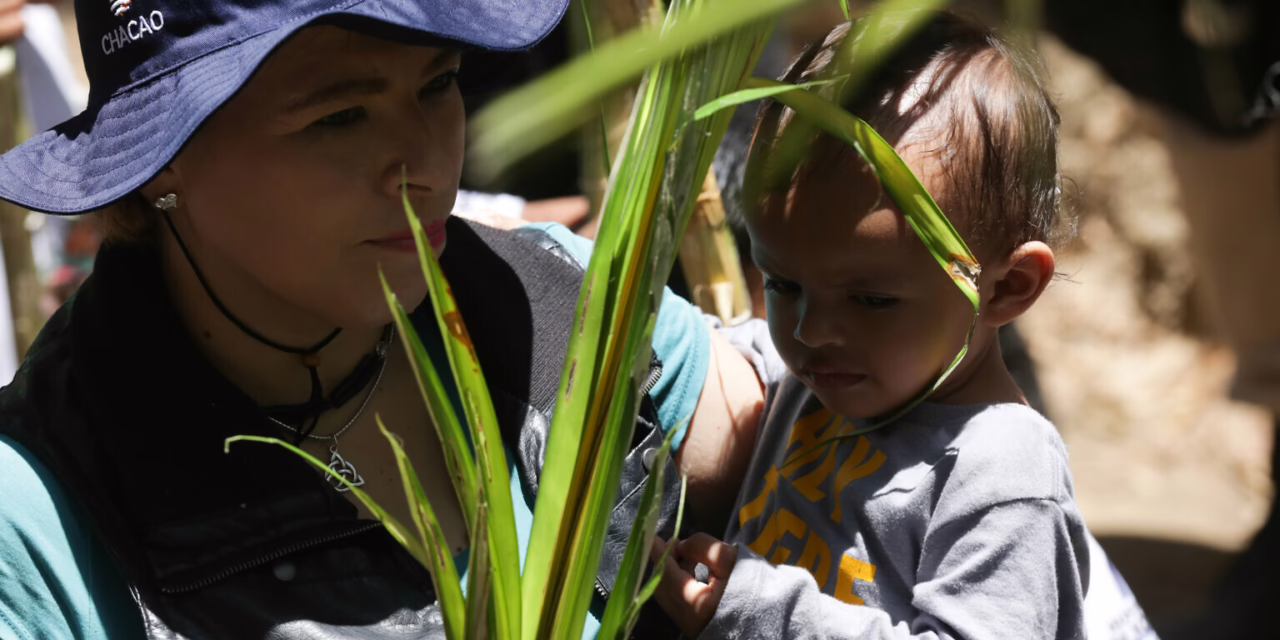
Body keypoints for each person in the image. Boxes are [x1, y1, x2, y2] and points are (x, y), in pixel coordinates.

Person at [0, 1, 766, 638]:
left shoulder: (554, 303)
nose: (426, 163)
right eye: (339, 117)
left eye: (439, 84)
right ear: (160, 157)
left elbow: (826, 464)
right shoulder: (42, 517)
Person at [654, 13, 1093, 639]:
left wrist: (762, 616)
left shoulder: (1003, 472)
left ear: (1007, 287)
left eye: (870, 300)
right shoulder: (812, 382)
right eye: (783, 285)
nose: (810, 330)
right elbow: (705, 354)